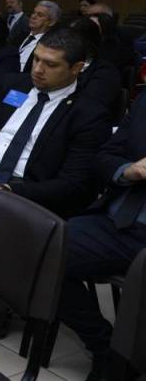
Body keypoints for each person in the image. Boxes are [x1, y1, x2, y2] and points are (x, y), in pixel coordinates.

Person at [0, 28, 112, 218]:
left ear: (76, 68)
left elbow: (72, 183)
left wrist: (4, 190)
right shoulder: (11, 86)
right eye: (36, 59)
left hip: (24, 190)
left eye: (51, 64)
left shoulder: (89, 115)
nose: (38, 69)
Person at [55, 94, 146, 381]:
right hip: (117, 222)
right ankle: (105, 347)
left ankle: (128, 358)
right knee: (44, 252)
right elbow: (104, 157)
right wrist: (129, 170)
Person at [69, 17, 122, 112]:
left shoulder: (105, 72)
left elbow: (88, 107)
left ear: (87, 42)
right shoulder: (62, 62)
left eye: (70, 39)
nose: (63, 43)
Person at [15, 0, 60, 72]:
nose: (33, 16)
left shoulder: (51, 44)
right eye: (33, 13)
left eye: (40, 15)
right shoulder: (20, 35)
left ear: (51, 22)